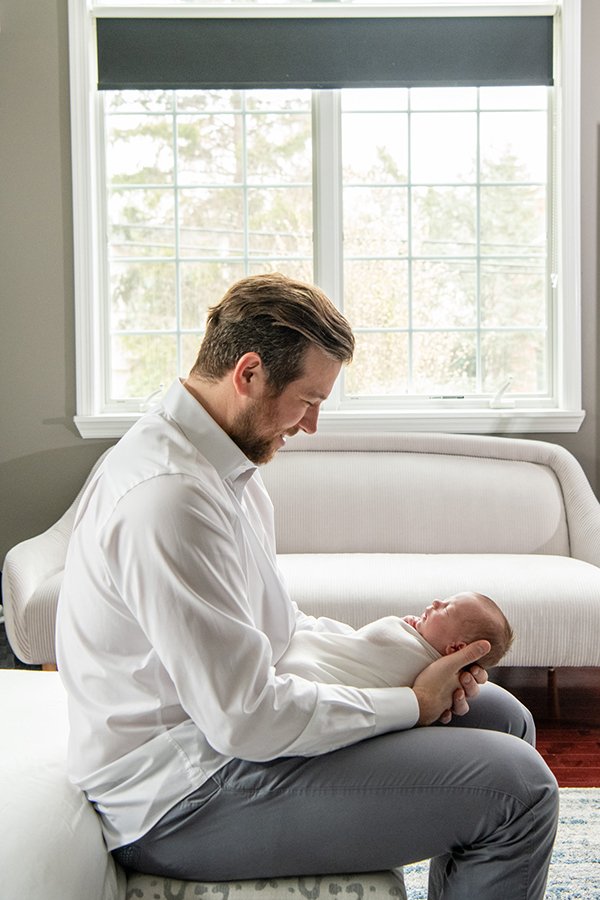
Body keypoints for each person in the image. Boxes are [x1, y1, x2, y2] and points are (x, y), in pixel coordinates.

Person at [56, 273, 558, 899]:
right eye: (308, 399)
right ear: (248, 373)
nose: (312, 424)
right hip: (183, 792)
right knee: (519, 789)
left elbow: (278, 629)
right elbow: (245, 721)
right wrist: (414, 703)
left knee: (503, 718)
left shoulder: (226, 471)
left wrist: (409, 659)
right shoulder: (169, 500)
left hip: (227, 741)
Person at [276, 591, 514, 689]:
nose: (436, 603)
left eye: (447, 609)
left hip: (300, 674)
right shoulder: (433, 671)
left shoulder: (419, 665)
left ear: (456, 648)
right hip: (291, 669)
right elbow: (359, 645)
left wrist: (399, 628)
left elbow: (378, 643)